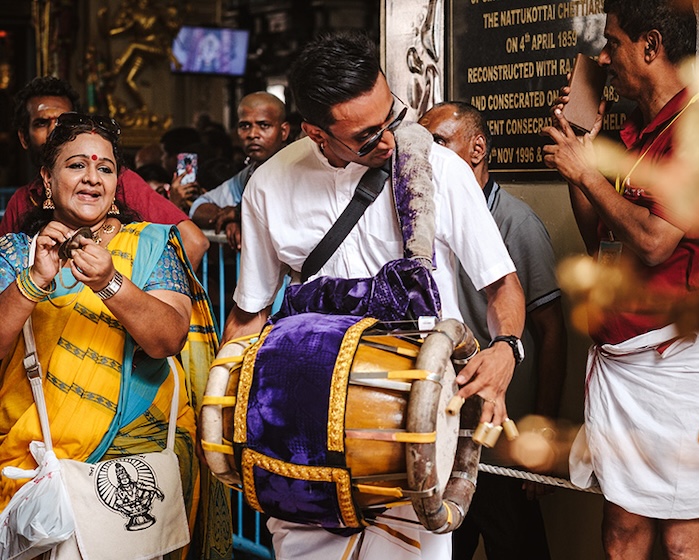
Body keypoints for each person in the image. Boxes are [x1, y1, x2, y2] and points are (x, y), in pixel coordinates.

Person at [221, 31, 525, 560]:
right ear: (314, 131)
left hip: (416, 426)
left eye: (393, 116)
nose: (389, 139)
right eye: (366, 135)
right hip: (303, 431)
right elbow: (249, 314)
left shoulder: (438, 169)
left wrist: (507, 351)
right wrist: (224, 409)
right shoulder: (269, 185)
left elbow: (502, 285)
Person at [0, 113, 231, 559]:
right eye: (76, 166)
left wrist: (110, 282)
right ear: (47, 178)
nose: (92, 179)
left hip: (135, 460)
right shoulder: (15, 252)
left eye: (104, 168)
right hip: (36, 456)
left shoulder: (152, 244)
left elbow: (167, 340)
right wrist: (33, 281)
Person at [541, 1, 699, 558]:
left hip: (680, 364)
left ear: (651, 45)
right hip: (623, 358)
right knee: (621, 526)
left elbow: (654, 240)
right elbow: (603, 239)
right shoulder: (637, 132)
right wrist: (582, 157)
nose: (604, 57)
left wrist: (587, 171)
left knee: (683, 534)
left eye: (613, 42)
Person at [420, 101, 567, 560]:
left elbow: (551, 332)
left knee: (515, 543)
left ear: (477, 148)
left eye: (439, 144)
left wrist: (539, 431)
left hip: (500, 432)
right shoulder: (426, 217)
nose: (428, 158)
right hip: (447, 421)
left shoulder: (516, 223)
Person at [1, 76, 209, 269]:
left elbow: (193, 242)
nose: (54, 130)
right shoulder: (21, 202)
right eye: (41, 123)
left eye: (64, 122)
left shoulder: (115, 181)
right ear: (23, 137)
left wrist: (149, 293)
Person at [189, 92, 290, 251]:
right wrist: (227, 219)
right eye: (245, 126)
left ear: (284, 131)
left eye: (264, 125)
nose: (252, 134)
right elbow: (198, 207)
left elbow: (284, 211)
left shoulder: (298, 166)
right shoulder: (250, 173)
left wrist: (238, 214)